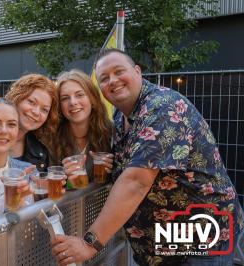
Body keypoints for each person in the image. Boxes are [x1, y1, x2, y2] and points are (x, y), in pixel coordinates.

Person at [51, 49, 244, 266]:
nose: (112, 81)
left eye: (118, 71)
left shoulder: (162, 107)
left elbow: (136, 181)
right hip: (163, 243)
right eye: (104, 78)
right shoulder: (120, 117)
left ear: (137, 71)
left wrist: (89, 244)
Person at [55, 69, 114, 185]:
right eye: (65, 98)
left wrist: (113, 170)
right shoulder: (52, 136)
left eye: (80, 95)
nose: (73, 102)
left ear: (92, 99)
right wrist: (63, 180)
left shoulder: (110, 132)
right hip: (64, 203)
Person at [5, 74, 59, 172]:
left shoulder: (42, 150)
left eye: (44, 110)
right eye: (31, 102)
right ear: (16, 97)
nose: (36, 112)